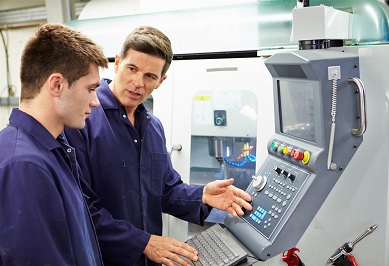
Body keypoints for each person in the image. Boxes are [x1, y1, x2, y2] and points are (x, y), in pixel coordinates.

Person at [64, 25, 253, 266]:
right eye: (132, 69)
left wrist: (203, 195)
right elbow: (81, 209)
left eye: (149, 76)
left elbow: (165, 190)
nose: (137, 83)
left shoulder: (153, 127)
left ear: (161, 81)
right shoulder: (83, 120)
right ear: (117, 63)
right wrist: (142, 242)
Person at [0, 23, 108, 265]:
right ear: (56, 84)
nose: (95, 102)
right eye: (90, 89)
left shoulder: (53, 150)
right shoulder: (25, 165)